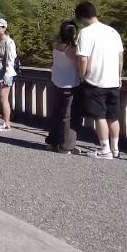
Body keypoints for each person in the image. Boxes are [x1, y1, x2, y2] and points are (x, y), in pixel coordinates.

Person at [75, 1, 125, 159]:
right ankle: (116, 148)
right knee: (113, 116)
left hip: (95, 80)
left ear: (81, 16)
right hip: (113, 81)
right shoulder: (112, 31)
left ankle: (105, 150)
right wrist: (119, 76)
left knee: (100, 117)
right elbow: (120, 57)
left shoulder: (85, 33)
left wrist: (82, 75)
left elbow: (83, 58)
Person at [47, 21, 81, 153]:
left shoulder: (57, 47)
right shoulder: (72, 50)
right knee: (68, 115)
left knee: (56, 113)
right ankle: (66, 145)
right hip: (69, 84)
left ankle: (52, 141)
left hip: (56, 81)